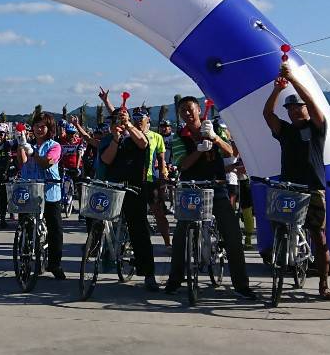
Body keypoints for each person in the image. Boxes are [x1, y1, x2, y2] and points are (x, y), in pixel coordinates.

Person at [164, 96, 257, 300]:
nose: (187, 113)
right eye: (182, 111)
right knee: (180, 235)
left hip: (218, 187)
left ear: (199, 109)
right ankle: (174, 280)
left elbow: (232, 151)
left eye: (190, 109)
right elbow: (182, 165)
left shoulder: (215, 127)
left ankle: (241, 285)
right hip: (191, 189)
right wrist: (199, 150)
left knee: (232, 235)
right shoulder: (180, 136)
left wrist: (215, 138)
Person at [262, 63, 330, 299]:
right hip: (289, 188)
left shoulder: (317, 128)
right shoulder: (285, 130)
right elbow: (267, 115)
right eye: (290, 108)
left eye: (297, 107)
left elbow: (313, 103)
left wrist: (293, 81)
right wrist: (276, 89)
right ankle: (280, 263)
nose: (293, 111)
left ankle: (323, 284)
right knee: (279, 227)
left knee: (319, 237)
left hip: (313, 189)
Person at [96, 93, 156, 291]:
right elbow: (106, 160)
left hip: (134, 187)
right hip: (112, 187)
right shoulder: (108, 140)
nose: (118, 124)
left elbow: (143, 143)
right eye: (114, 122)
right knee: (99, 221)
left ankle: (148, 273)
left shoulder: (136, 135)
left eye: (120, 121)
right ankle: (101, 256)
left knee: (138, 229)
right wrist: (115, 138)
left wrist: (129, 126)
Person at [15, 114, 66, 279]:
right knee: (24, 224)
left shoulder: (55, 146)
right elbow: (23, 163)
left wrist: (32, 153)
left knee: (55, 228)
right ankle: (25, 253)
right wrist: (21, 147)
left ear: (49, 129)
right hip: (30, 189)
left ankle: (55, 263)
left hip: (49, 191)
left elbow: (46, 162)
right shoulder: (28, 145)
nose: (38, 129)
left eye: (42, 126)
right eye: (36, 125)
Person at [140, 113, 171, 248]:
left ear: (148, 121)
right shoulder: (129, 135)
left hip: (151, 180)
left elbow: (161, 159)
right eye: (135, 119)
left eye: (141, 119)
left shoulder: (157, 137)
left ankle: (167, 243)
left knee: (158, 212)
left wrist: (164, 175)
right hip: (132, 180)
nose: (138, 122)